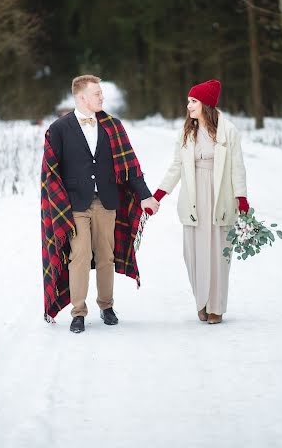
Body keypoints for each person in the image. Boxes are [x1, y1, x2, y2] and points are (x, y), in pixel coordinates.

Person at [41, 74, 159, 333]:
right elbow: (50, 173)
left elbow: (131, 167)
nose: (102, 97)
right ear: (81, 97)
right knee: (79, 256)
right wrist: (57, 206)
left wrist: (145, 195)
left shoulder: (113, 126)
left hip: (106, 202)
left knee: (106, 256)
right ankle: (78, 312)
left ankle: (106, 306)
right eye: (97, 93)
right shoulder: (59, 128)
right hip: (75, 205)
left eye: (101, 93)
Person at [153, 79, 249, 324]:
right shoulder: (187, 131)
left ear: (206, 104)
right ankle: (202, 301)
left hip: (219, 197)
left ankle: (216, 306)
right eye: (188, 101)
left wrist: (242, 199)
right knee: (193, 253)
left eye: (193, 101)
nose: (188, 106)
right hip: (194, 197)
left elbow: (237, 168)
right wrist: (159, 195)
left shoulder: (228, 132)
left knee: (219, 252)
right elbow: (176, 166)